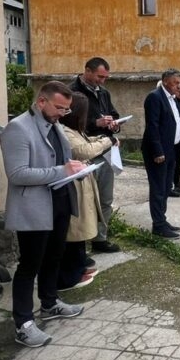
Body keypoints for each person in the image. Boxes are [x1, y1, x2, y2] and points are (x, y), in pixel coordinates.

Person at [1, 81, 87, 348]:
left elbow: (60, 160)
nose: (64, 113)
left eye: (66, 109)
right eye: (59, 107)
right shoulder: (18, 128)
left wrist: (75, 169)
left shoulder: (55, 125)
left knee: (54, 257)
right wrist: (63, 171)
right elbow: (17, 174)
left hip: (59, 201)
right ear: (41, 102)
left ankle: (50, 303)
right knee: (30, 265)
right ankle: (24, 324)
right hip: (34, 207)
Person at [58, 92, 114, 290]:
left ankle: (79, 267)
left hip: (81, 182)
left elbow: (86, 141)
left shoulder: (73, 129)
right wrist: (108, 141)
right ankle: (70, 274)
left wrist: (100, 137)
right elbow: (82, 150)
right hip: (72, 185)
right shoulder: (63, 130)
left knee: (80, 228)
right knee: (75, 229)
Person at [70, 57, 121, 254]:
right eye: (100, 76)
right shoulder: (72, 91)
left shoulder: (104, 93)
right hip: (84, 151)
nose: (102, 81)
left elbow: (114, 114)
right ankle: (80, 244)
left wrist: (113, 123)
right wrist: (96, 123)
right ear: (87, 71)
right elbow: (70, 122)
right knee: (85, 201)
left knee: (105, 198)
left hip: (105, 151)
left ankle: (100, 239)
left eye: (106, 77)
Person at [142, 69, 180, 239]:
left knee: (167, 187)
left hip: (171, 150)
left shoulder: (172, 99)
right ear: (166, 81)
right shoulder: (155, 97)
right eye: (176, 83)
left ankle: (162, 219)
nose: (179, 86)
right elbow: (152, 126)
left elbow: (176, 122)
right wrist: (158, 150)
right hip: (158, 152)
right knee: (158, 188)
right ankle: (158, 225)